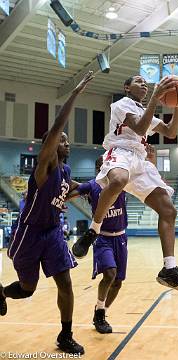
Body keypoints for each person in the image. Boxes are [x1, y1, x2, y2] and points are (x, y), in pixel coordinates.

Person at [73, 75, 178, 294]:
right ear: (126, 87)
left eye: (145, 82)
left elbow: (170, 132)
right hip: (120, 152)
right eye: (138, 81)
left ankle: (169, 269)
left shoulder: (146, 111)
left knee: (169, 211)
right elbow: (140, 129)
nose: (144, 84)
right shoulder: (122, 104)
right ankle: (93, 231)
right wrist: (155, 98)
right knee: (119, 180)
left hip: (139, 161)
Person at [0, 71, 94, 354]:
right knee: (27, 289)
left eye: (65, 140)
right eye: (61, 140)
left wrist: (113, 181)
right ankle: (2, 292)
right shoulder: (45, 168)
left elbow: (83, 187)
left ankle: (65, 335)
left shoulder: (65, 173)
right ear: (50, 147)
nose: (66, 142)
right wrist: (75, 93)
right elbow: (55, 129)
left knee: (64, 282)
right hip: (29, 232)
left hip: (53, 232)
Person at [70, 145, 157, 334]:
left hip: (121, 238)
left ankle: (101, 311)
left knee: (117, 282)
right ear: (101, 169)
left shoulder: (123, 182)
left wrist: (151, 158)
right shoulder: (92, 186)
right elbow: (71, 190)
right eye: (108, 164)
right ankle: (100, 312)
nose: (113, 165)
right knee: (109, 273)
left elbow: (147, 178)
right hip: (102, 237)